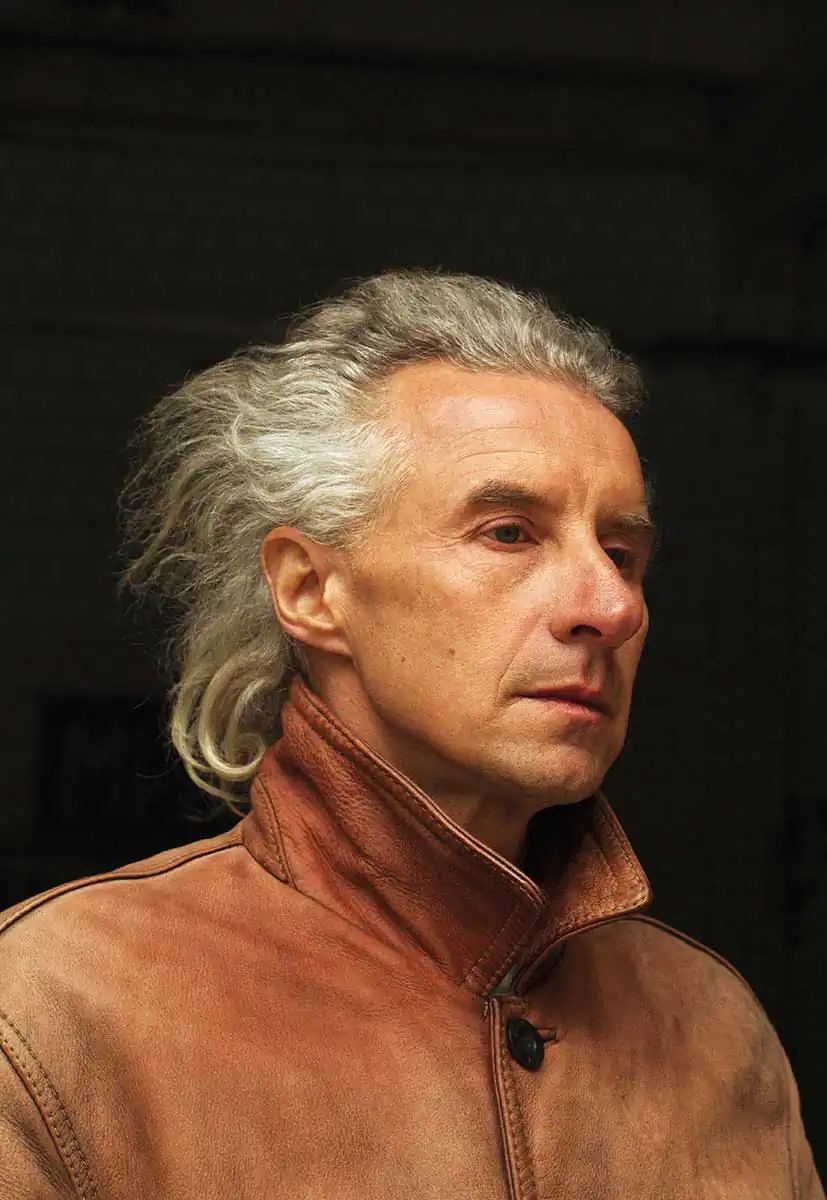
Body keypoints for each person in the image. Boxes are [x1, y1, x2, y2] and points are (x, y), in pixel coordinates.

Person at [0, 270, 821, 1199]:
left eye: (622, 553)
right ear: (310, 590)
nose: (611, 605)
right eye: (508, 533)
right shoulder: (53, 1012)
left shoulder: (712, 1027)